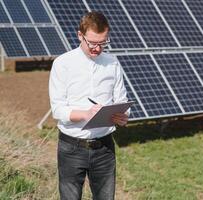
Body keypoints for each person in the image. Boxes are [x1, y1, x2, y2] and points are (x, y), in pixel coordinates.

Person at [49, 11, 129, 200]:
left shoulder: (113, 63)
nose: (97, 48)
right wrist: (86, 114)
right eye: (92, 43)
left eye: (103, 43)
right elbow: (58, 110)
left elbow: (121, 101)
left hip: (104, 147)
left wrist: (123, 117)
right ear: (80, 35)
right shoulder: (63, 64)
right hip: (71, 148)